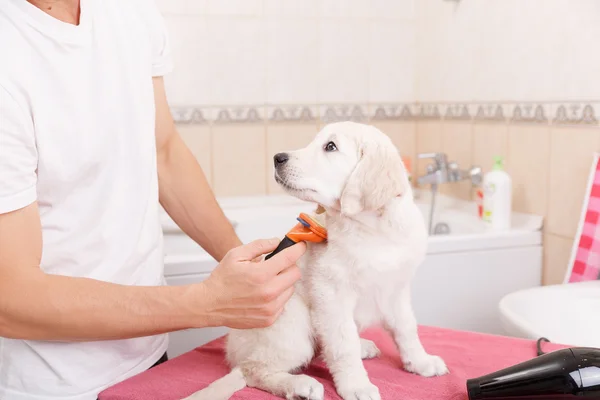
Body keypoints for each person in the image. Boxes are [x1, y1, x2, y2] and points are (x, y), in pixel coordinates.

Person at [0, 1, 305, 399]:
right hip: (54, 382)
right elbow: (11, 297)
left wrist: (252, 272)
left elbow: (163, 152)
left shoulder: (131, 13)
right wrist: (208, 304)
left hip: (148, 359)